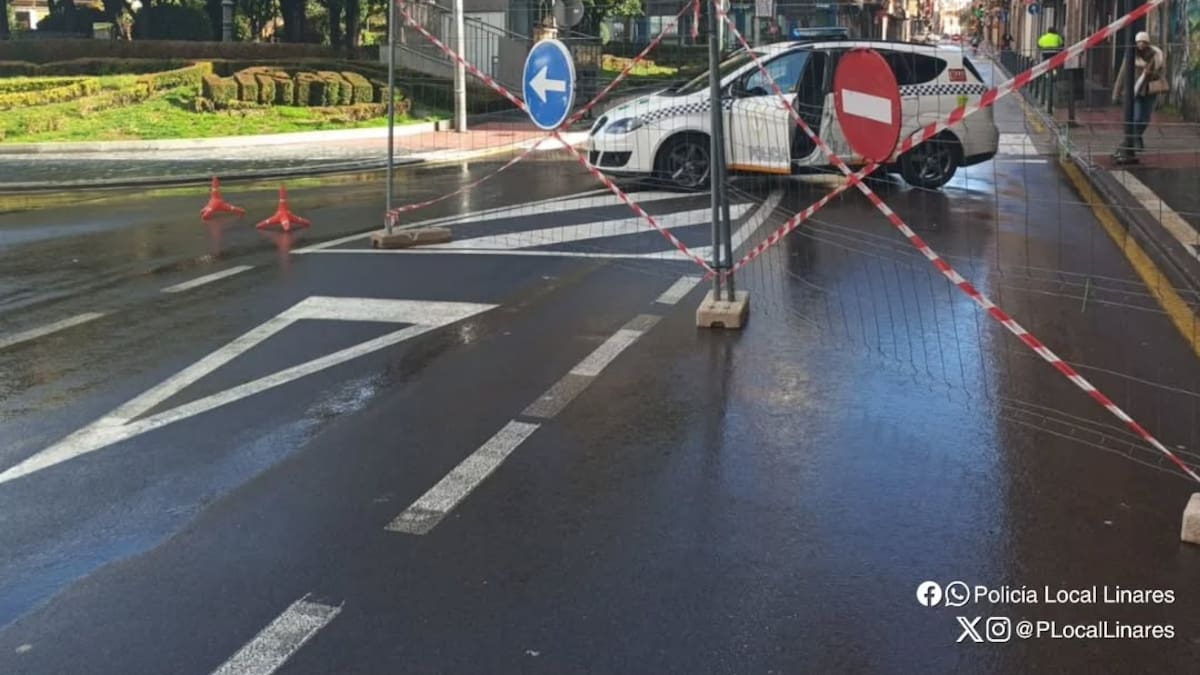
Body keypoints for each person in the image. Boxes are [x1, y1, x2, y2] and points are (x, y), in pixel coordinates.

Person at [1113, 31, 1167, 154]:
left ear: (1148, 43)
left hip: (1150, 91)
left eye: (1143, 42)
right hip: (1135, 92)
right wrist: (1116, 93)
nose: (1141, 44)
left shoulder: (1156, 56)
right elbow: (1122, 75)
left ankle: (1137, 136)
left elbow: (1162, 73)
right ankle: (1134, 139)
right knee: (1137, 118)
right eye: (1138, 42)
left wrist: (1150, 73)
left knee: (1145, 119)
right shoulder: (1131, 56)